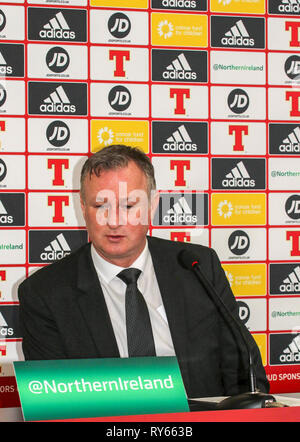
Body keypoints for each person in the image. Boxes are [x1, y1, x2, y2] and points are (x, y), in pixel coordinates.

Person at [18, 144, 269, 399]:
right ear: (83, 207)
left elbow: (243, 369)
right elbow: (53, 400)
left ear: (152, 205)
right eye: (100, 206)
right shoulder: (44, 293)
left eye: (128, 206)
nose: (113, 221)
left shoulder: (198, 267)